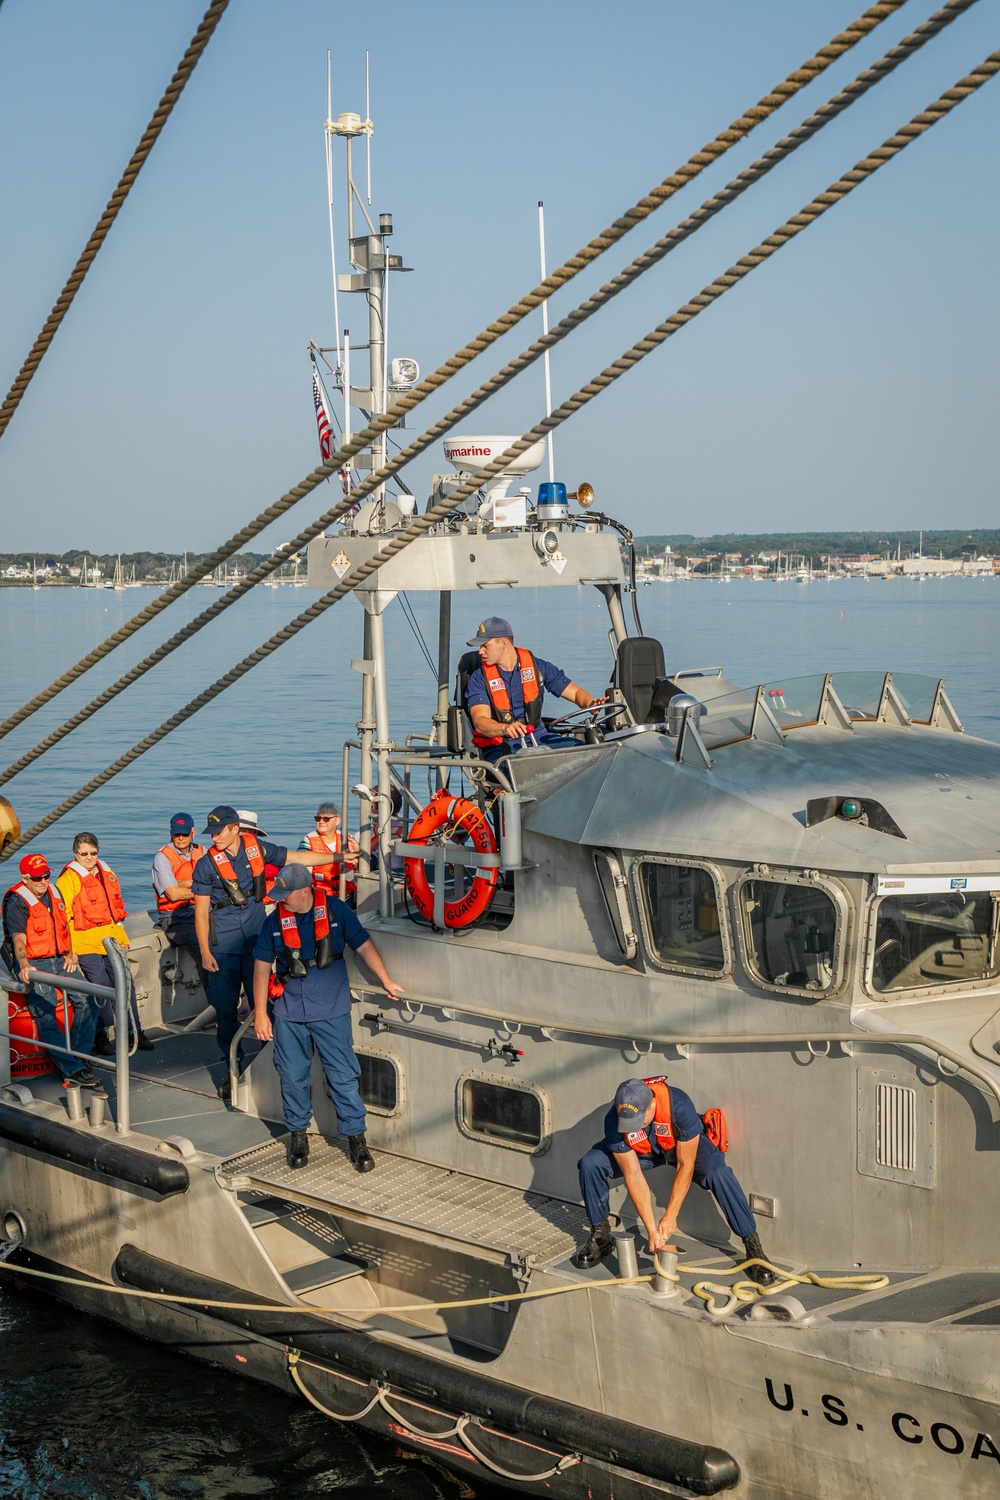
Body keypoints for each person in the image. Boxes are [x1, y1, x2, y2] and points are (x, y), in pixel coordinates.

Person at [252, 864, 402, 1171]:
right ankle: (298, 1136)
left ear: (305, 891)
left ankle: (356, 1140)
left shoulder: (336, 911)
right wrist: (260, 1015)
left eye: (286, 895)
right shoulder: (274, 922)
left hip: (330, 1009)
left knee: (343, 1077)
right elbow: (261, 967)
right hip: (289, 1012)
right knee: (292, 1077)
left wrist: (385, 979)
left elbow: (363, 945)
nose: (281, 900)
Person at [576, 1076, 776, 1286]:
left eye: (638, 1121)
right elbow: (633, 1174)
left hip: (679, 1146)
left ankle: (753, 1246)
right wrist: (651, 1230)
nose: (632, 1128)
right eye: (628, 1123)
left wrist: (670, 1216)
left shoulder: (679, 1105)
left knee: (717, 1173)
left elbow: (685, 1165)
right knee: (591, 1164)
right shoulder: (614, 1121)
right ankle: (601, 1236)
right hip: (643, 1153)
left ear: (652, 1104)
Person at [191, 805, 336, 1092]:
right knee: (225, 1011)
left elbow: (299, 858)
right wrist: (206, 953)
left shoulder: (256, 848)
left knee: (267, 1002)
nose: (214, 838)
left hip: (257, 941)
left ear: (235, 829)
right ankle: (233, 1069)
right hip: (224, 947)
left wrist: (339, 857)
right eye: (211, 833)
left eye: (219, 832)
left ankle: (273, 1063)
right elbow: (200, 912)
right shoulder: (206, 865)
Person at [1, 852, 101, 1086]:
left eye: (46, 875)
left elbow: (63, 926)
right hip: (36, 962)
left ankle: (77, 1056)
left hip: (60, 959)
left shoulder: (55, 892)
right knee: (45, 1013)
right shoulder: (17, 902)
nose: (44, 881)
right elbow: (18, 938)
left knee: (89, 998)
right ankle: (73, 1069)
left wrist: (69, 951)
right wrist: (25, 965)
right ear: (25, 878)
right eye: (37, 878)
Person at [57, 832, 152, 1053]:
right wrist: (69, 951)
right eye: (84, 854)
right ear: (75, 854)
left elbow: (115, 910)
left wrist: (123, 938)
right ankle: (100, 1035)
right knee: (99, 984)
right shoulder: (67, 880)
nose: (89, 858)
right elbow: (63, 919)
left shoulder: (106, 872)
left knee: (126, 982)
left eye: (93, 853)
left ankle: (134, 1031)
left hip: (111, 940)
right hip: (85, 943)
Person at [464, 616, 606, 762]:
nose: (480, 651)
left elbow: (576, 693)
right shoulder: (479, 678)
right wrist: (504, 728)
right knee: (527, 766)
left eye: (485, 645)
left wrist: (590, 703)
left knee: (589, 754)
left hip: (540, 738)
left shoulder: (537, 667)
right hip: (502, 746)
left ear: (504, 643)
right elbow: (480, 721)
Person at [151, 812, 207, 990]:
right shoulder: (162, 858)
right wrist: (201, 888)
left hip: (202, 910)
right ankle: (218, 1003)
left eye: (184, 834)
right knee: (204, 950)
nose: (180, 838)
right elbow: (173, 894)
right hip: (175, 918)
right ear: (170, 833)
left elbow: (217, 881)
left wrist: (188, 885)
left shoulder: (202, 852)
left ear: (193, 832)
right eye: (176, 834)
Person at [297, 802, 358, 900]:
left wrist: (357, 852)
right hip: (320, 897)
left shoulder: (348, 839)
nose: (321, 822)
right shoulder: (308, 840)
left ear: (337, 821)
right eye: (318, 818)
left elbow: (357, 866)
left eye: (326, 819)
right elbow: (301, 869)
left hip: (347, 897)